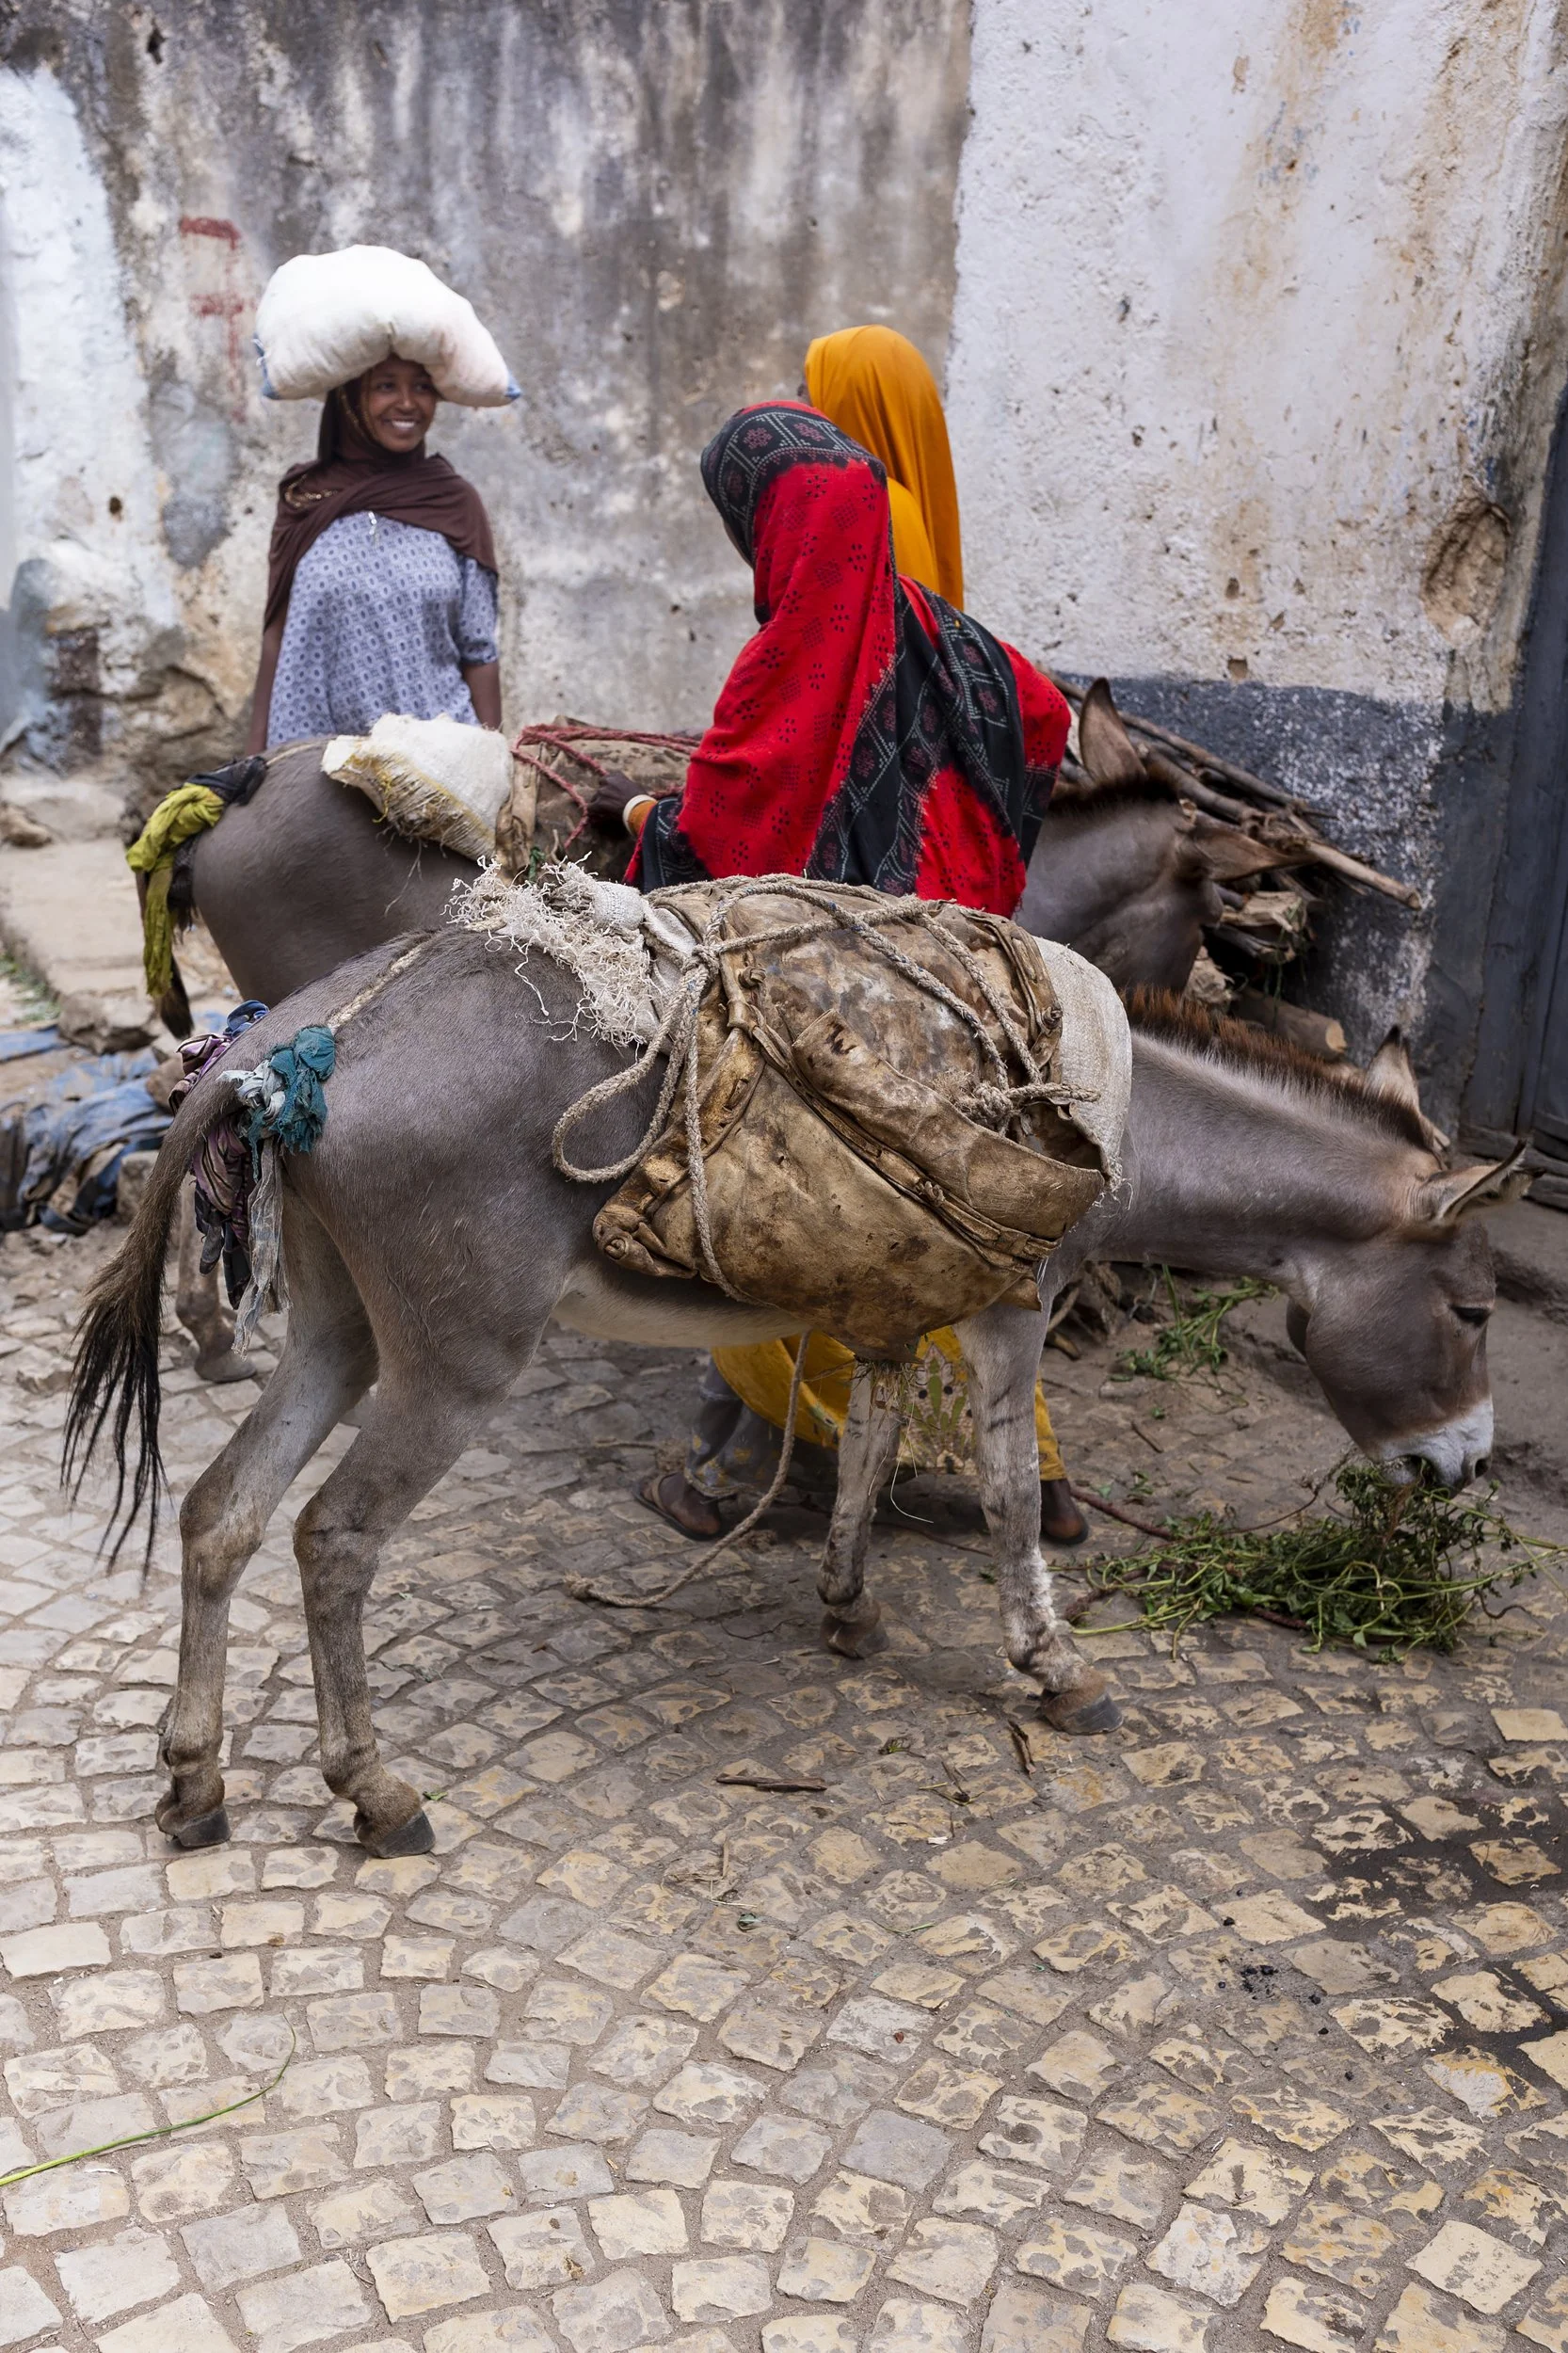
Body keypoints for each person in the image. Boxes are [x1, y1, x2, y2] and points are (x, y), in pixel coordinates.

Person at [593, 392, 1088, 1545]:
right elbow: (1044, 712)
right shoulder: (948, 635)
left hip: (847, 1008)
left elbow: (722, 846)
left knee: (762, 1203)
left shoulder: (788, 658)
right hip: (963, 985)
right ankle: (1033, 1477)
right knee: (963, 1235)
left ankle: (769, 1479)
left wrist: (638, 822)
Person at [246, 356, 502, 754]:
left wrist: (494, 763)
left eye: (422, 386)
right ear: (348, 397)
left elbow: (479, 650)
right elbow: (277, 638)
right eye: (385, 386)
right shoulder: (307, 498)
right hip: (315, 765)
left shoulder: (454, 502)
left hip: (435, 768)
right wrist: (252, 761)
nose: (407, 403)